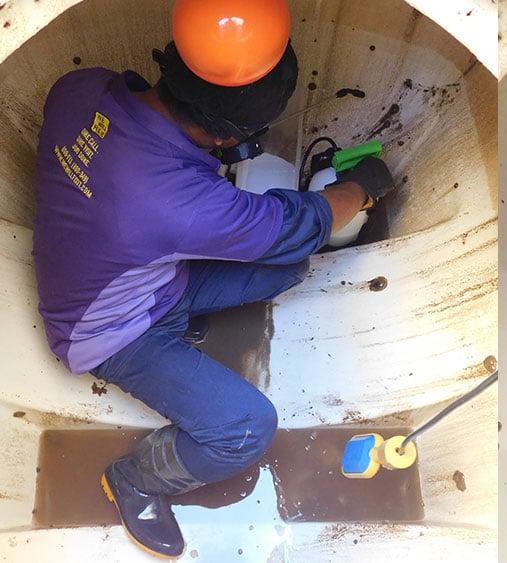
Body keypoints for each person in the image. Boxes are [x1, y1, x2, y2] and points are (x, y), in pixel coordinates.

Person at [32, 41, 395, 558]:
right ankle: (136, 480)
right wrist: (361, 187)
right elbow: (300, 223)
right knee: (247, 430)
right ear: (224, 135)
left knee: (284, 266)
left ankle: (180, 329)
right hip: (107, 331)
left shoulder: (81, 86)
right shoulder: (181, 206)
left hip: (137, 276)